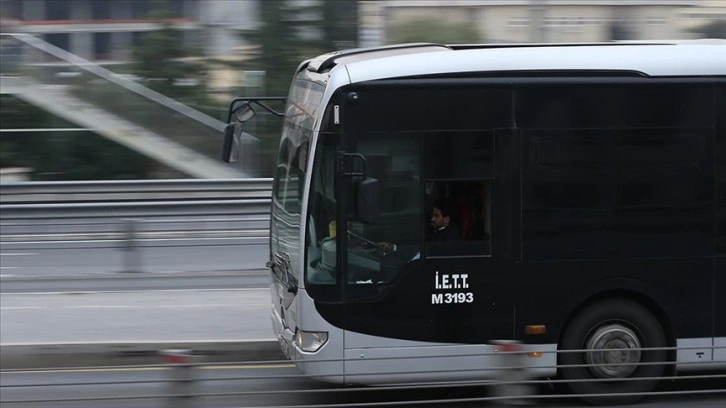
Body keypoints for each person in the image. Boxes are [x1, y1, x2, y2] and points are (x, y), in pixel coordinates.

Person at [378, 197, 461, 252]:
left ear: (446, 219)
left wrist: (394, 248)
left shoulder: (450, 237)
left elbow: (423, 250)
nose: (432, 219)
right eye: (432, 215)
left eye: (436, 216)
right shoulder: (433, 230)